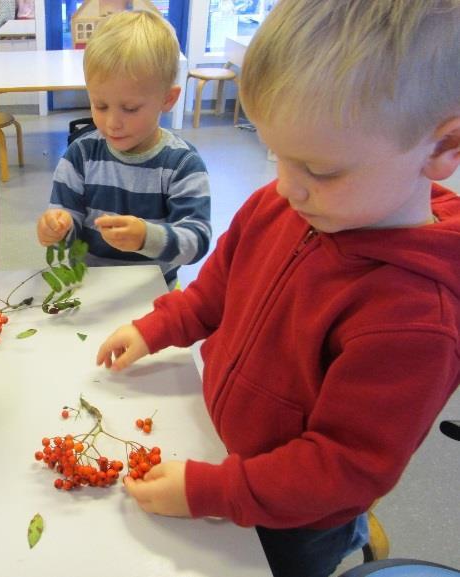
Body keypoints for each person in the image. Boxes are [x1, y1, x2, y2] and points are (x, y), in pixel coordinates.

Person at [95, 1, 460, 576]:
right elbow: (215, 290)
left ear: (443, 149)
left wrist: (212, 491)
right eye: (276, 155)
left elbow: (342, 467)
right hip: (218, 446)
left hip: (295, 525)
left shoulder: (414, 319)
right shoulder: (286, 205)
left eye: (321, 170)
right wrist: (157, 326)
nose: (287, 188)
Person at [36, 10, 211, 288]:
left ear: (168, 99)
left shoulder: (181, 164)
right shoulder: (80, 155)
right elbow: (66, 218)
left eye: (130, 109)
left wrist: (146, 237)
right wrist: (57, 228)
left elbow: (197, 240)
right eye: (100, 105)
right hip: (90, 289)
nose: (112, 123)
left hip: (154, 290)